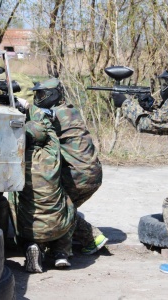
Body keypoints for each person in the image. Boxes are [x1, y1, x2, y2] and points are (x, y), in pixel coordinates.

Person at [111, 64, 168, 277]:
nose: (164, 86)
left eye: (167, 81)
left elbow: (149, 124)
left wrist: (126, 104)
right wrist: (150, 104)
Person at [28, 77, 107, 255]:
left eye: (42, 94)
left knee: (55, 206)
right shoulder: (69, 110)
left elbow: (36, 128)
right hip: (90, 172)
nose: (39, 97)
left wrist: (26, 108)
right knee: (65, 205)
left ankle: (92, 238)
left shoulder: (59, 114)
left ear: (54, 95)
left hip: (79, 175)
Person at [8, 105, 76, 273]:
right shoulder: (52, 155)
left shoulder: (18, 160)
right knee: (69, 206)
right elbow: (50, 130)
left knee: (14, 198)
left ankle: (31, 246)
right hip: (57, 226)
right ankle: (61, 253)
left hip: (30, 228)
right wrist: (33, 109)